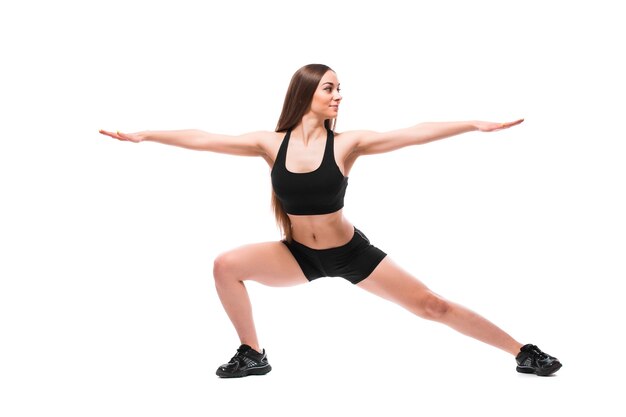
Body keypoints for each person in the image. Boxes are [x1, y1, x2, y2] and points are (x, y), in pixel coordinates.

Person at [99, 63, 562, 378]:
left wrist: (471, 125)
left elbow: (411, 133)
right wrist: (147, 135)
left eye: (340, 89)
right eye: (330, 88)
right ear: (306, 93)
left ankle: (523, 353)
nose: (338, 96)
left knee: (432, 306)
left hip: (349, 253)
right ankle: (253, 354)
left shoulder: (346, 144)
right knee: (225, 265)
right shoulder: (269, 143)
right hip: (297, 256)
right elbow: (204, 138)